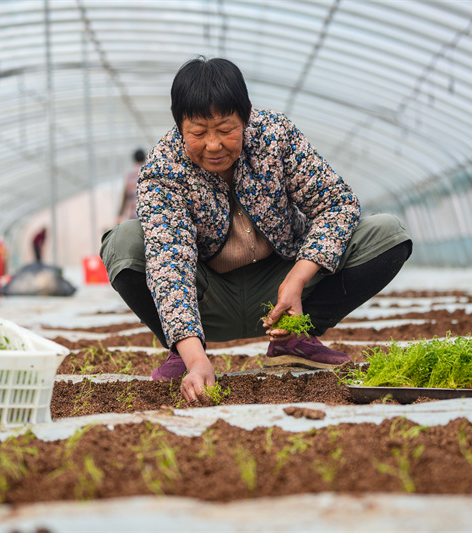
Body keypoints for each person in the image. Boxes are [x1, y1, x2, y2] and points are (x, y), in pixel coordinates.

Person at [100, 57, 412, 403]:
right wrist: (196, 359)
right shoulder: (163, 169)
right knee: (124, 242)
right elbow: (168, 265)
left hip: (284, 288)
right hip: (209, 297)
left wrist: (297, 279)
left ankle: (295, 337)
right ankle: (184, 351)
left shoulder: (275, 137)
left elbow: (338, 204)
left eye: (225, 129)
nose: (214, 145)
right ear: (179, 126)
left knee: (387, 234)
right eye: (199, 133)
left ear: (246, 115)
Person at [117, 148, 146, 223]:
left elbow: (125, 196)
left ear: (134, 159)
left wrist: (120, 215)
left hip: (133, 217)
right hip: (147, 216)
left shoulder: (129, 175)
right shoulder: (148, 172)